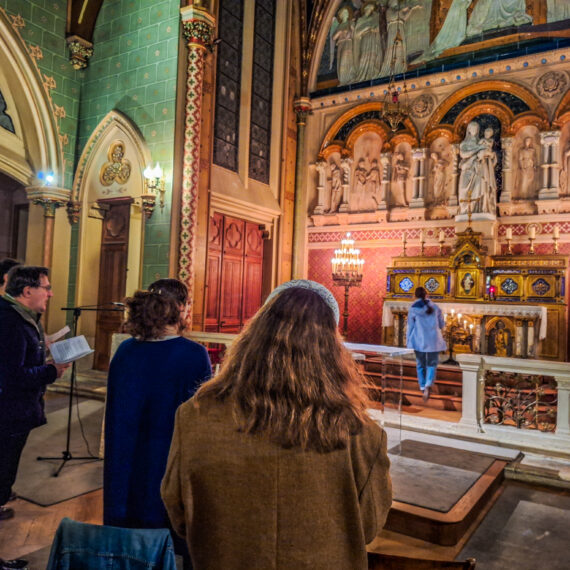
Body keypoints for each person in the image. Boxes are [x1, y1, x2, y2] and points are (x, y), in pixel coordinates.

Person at [161, 280, 392, 569]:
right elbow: (367, 526)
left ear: (253, 338)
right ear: (332, 351)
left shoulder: (194, 418)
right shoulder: (362, 435)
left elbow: (179, 511)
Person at [103, 290, 211, 567]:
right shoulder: (193, 354)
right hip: (169, 446)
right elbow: (202, 410)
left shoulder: (126, 351)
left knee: (129, 504)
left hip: (126, 446)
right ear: (177, 314)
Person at [0, 266, 69, 521]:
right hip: (9, 410)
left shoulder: (20, 316)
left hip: (14, 409)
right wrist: (51, 371)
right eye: (46, 288)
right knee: (4, 462)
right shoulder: (11, 321)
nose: (50, 294)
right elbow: (12, 376)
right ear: (28, 291)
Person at [406, 287, 446, 401]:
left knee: (420, 364)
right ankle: (428, 383)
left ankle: (423, 387)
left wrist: (408, 341)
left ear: (415, 296)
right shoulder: (435, 307)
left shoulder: (414, 308)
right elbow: (441, 324)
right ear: (426, 295)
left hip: (419, 339)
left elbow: (410, 326)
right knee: (432, 364)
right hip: (434, 340)